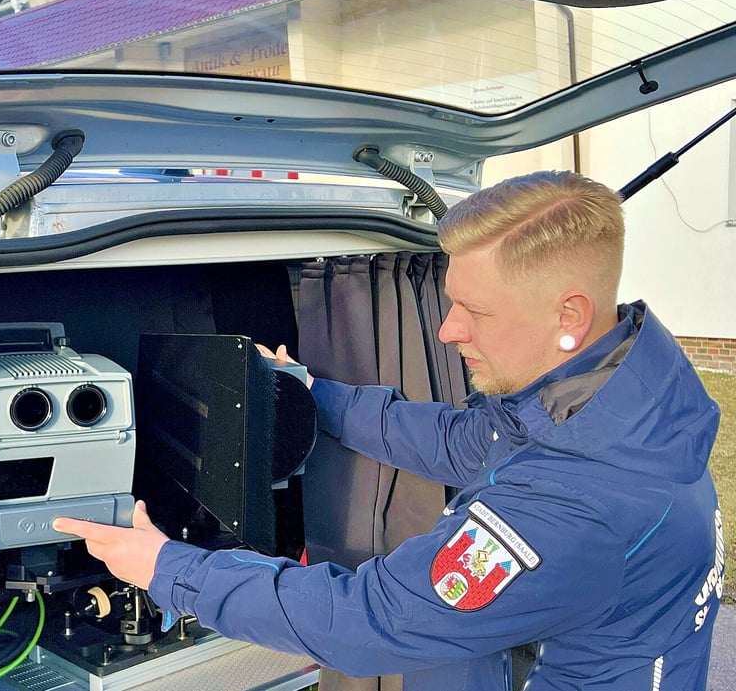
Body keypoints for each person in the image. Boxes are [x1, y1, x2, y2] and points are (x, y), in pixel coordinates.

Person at [54, 171, 724, 690]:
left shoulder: (574, 505)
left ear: (568, 315)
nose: (447, 329)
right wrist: (316, 394)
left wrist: (168, 568)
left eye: (475, 310)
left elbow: (369, 618)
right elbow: (462, 442)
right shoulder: (621, 395)